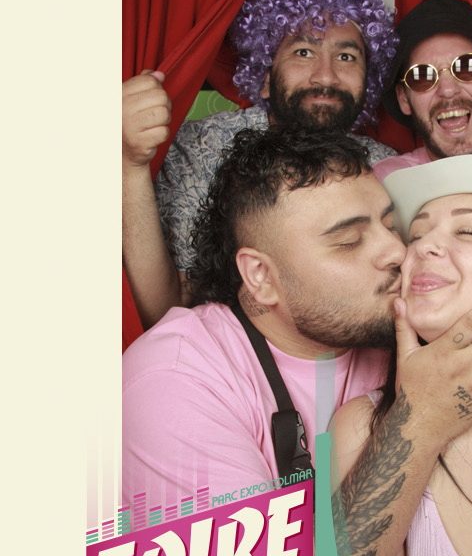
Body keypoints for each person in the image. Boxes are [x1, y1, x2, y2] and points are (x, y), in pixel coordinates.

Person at [121, 128, 401, 513]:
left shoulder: (409, 328)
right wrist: (423, 418)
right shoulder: (172, 380)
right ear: (261, 276)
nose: (397, 251)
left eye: (393, 226)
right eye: (349, 241)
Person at [122, 0, 399, 328]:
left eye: (346, 56)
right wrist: (129, 166)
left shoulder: (387, 169)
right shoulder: (203, 147)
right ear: (266, 77)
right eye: (304, 52)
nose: (326, 76)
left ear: (368, 84)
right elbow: (169, 310)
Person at [332, 156, 472, 556]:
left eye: (468, 231)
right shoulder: (359, 430)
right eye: (415, 235)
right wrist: (416, 419)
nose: (423, 247)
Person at [373, 0, 472, 176]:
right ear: (403, 98)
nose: (448, 90)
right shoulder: (385, 182)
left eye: (466, 67)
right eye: (422, 76)